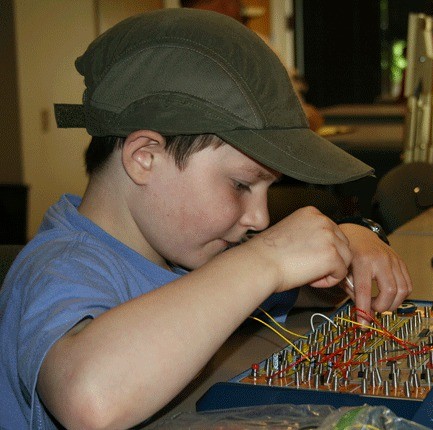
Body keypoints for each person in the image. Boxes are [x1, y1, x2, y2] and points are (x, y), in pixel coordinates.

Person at [0, 9, 412, 429]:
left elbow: (301, 291)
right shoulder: (58, 267)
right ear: (145, 158)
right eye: (240, 185)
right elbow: (89, 399)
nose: (259, 217)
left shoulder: (184, 250)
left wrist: (346, 242)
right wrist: (267, 258)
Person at [180, 0, 325, 132]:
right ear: (228, 4)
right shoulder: (253, 45)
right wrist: (311, 117)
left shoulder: (170, 47)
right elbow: (296, 121)